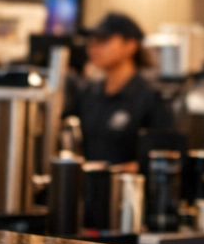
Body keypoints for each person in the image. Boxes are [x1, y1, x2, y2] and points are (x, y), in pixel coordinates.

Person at [65, 13, 172, 171]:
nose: (93, 47)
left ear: (130, 45)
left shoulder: (151, 98)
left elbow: (164, 157)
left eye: (104, 40)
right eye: (92, 40)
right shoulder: (89, 93)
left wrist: (115, 173)